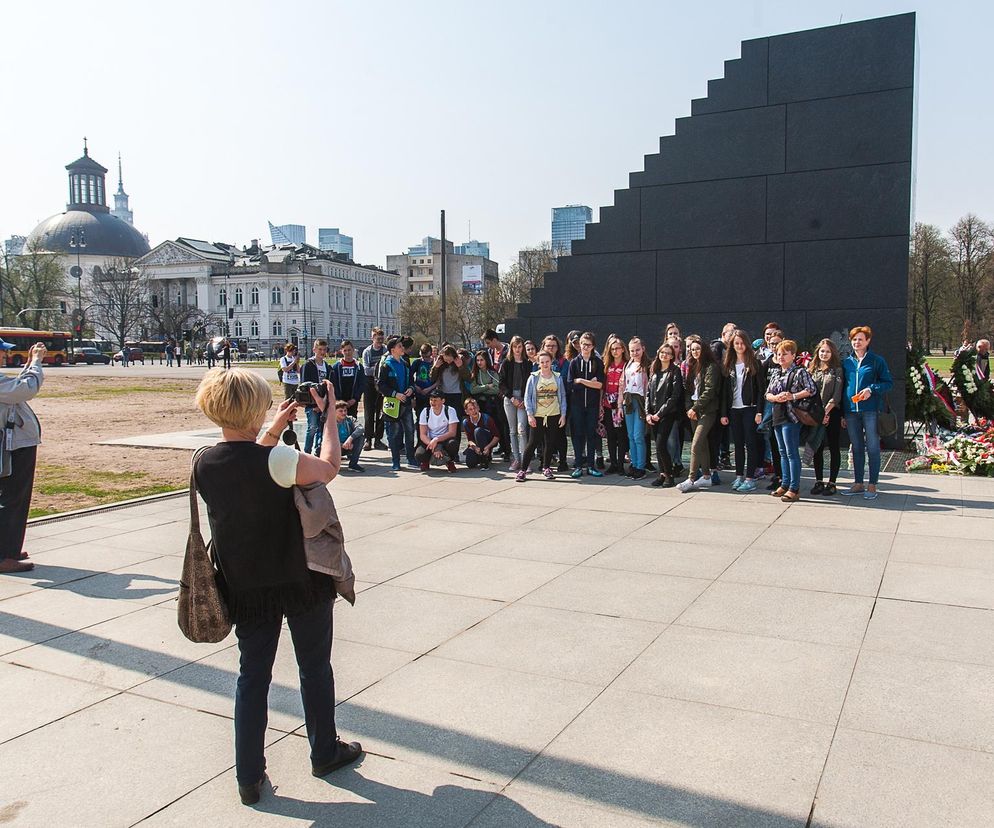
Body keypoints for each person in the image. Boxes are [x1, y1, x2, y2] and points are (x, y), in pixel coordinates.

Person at [193, 369, 362, 804]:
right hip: (299, 578)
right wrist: (326, 419)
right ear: (255, 408)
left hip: (247, 586)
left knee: (252, 677)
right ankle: (324, 751)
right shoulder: (278, 461)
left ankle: (249, 776)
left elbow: (246, 464)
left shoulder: (203, 462)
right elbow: (328, 467)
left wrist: (272, 431)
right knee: (314, 668)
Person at [0, 341, 46, 572]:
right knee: (12, 497)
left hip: (13, 444)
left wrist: (29, 364)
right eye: (3, 350)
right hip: (11, 447)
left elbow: (15, 389)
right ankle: (4, 555)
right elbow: (25, 389)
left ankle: (9, 546)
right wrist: (36, 362)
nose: (7, 354)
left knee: (13, 496)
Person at [842, 325, 894, 500]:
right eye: (854, 339)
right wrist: (843, 411)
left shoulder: (876, 361)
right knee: (856, 447)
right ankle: (858, 483)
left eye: (860, 339)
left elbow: (888, 383)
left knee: (872, 448)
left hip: (871, 410)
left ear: (868, 341)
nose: (857, 342)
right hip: (850, 411)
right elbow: (843, 387)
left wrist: (871, 389)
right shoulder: (846, 362)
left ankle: (872, 484)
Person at [765, 339, 818, 502]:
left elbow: (811, 389)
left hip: (792, 416)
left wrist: (792, 396)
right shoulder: (776, 372)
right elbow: (767, 393)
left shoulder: (800, 372)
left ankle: (794, 488)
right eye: (779, 354)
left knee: (791, 452)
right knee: (782, 452)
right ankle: (785, 483)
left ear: (793, 355)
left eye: (785, 354)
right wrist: (775, 397)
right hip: (777, 415)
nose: (780, 357)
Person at [720, 329, 765, 493]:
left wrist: (759, 411)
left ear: (747, 344)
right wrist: (724, 413)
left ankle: (750, 478)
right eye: (736, 343)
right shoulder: (728, 364)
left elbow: (761, 390)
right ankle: (739, 475)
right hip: (734, 409)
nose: (739, 346)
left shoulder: (754, 363)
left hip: (750, 409)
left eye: (742, 343)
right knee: (738, 444)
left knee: (751, 443)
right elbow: (725, 392)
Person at [676, 336, 720, 493]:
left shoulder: (711, 367)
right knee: (702, 446)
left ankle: (691, 478)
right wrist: (690, 408)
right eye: (692, 349)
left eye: (697, 349)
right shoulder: (692, 366)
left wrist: (695, 408)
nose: (694, 352)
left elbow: (709, 390)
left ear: (704, 350)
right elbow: (688, 390)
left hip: (706, 411)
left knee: (695, 444)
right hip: (693, 410)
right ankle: (707, 476)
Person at [516, 350, 567, 482]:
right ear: (538, 363)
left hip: (553, 414)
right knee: (532, 442)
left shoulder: (558, 377)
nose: (545, 364)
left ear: (551, 362)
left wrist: (563, 414)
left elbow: (562, 396)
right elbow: (527, 397)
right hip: (538, 415)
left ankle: (546, 467)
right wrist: (530, 415)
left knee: (550, 443)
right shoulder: (533, 377)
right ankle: (523, 470)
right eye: (542, 362)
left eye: (547, 362)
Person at [806, 338, 844, 495]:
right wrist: (818, 414)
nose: (824, 354)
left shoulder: (837, 370)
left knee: (834, 447)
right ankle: (819, 481)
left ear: (832, 353)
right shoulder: (811, 369)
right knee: (817, 447)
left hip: (831, 414)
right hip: (815, 414)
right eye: (822, 351)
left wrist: (826, 413)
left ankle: (832, 482)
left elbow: (836, 395)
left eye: (828, 351)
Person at [567, 331, 605, 478]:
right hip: (577, 405)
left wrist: (580, 381)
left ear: (593, 346)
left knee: (591, 435)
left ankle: (591, 465)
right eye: (583, 344)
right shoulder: (574, 363)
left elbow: (600, 385)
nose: (585, 347)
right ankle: (578, 465)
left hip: (592, 405)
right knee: (577, 435)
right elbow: (570, 384)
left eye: (588, 345)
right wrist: (588, 382)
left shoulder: (598, 362)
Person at [646, 343, 684, 488]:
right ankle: (662, 474)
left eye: (668, 353)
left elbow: (674, 397)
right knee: (658, 445)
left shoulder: (675, 371)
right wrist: (648, 413)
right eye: (663, 352)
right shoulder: (654, 370)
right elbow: (648, 393)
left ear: (672, 356)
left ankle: (669, 475)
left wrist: (659, 414)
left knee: (662, 444)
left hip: (667, 414)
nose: (665, 355)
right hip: (653, 414)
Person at [377, 335, 417, 471]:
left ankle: (411, 458)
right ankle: (395, 461)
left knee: (410, 431)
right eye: (399, 346)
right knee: (394, 433)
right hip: (393, 404)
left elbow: (411, 380)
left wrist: (411, 389)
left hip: (405, 402)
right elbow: (380, 385)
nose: (402, 348)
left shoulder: (405, 364)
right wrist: (395, 394)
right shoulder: (386, 365)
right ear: (392, 349)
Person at [498, 336, 533, 472]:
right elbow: (501, 383)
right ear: (511, 348)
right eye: (515, 347)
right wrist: (511, 398)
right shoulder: (506, 363)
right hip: (510, 399)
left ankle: (525, 460)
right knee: (512, 431)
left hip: (523, 399)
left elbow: (530, 383)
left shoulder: (527, 363)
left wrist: (524, 399)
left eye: (519, 347)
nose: (517, 350)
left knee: (522, 429)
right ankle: (516, 459)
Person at [621, 337, 650, 480]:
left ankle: (641, 466)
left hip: (640, 401)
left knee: (638, 435)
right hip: (628, 400)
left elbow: (648, 386)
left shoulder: (648, 365)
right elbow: (622, 383)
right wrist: (621, 404)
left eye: (637, 350)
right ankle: (633, 463)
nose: (634, 353)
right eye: (632, 350)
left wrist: (648, 407)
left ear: (643, 349)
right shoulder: (628, 364)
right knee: (631, 435)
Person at [601, 335, 628, 474]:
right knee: (610, 435)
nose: (615, 351)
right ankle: (613, 463)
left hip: (620, 406)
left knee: (621, 435)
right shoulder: (607, 365)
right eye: (612, 349)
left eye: (618, 348)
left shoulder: (627, 365)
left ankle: (620, 464)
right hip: (607, 404)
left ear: (623, 349)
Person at [302, 339, 334, 456]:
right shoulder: (308, 365)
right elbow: (305, 385)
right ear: (314, 350)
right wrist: (315, 403)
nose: (322, 352)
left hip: (324, 401)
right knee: (312, 428)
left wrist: (325, 401)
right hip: (312, 403)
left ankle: (318, 450)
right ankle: (306, 452)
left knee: (322, 428)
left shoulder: (327, 366)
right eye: (319, 349)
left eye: (324, 350)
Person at [430, 345, 467, 443]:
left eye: (449, 359)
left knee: (455, 422)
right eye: (445, 359)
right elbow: (432, 378)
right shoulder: (440, 361)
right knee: (444, 422)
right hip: (444, 395)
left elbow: (468, 378)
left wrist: (460, 367)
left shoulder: (459, 360)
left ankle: (455, 448)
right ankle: (445, 447)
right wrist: (436, 367)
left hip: (457, 394)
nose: (448, 361)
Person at [416, 388, 459, 472]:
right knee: (419, 454)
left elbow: (452, 433)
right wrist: (434, 446)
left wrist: (437, 439)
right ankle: (426, 461)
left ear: (443, 401)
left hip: (445, 439)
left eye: (435, 400)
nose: (432, 402)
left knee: (453, 444)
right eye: (431, 400)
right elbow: (422, 434)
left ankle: (449, 461)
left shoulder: (450, 410)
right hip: (430, 441)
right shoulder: (425, 412)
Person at [361, 328, 388, 451]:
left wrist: (377, 369)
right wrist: (379, 369)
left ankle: (378, 439)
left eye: (381, 339)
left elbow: (388, 366)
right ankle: (368, 439)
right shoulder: (367, 351)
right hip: (369, 384)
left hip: (382, 384)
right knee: (369, 413)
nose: (379, 342)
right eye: (377, 339)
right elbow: (366, 370)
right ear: (372, 338)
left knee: (381, 413)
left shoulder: (386, 350)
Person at [461, 397, 499, 469]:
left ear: (478, 408)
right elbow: (470, 440)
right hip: (476, 445)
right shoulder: (466, 422)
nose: (473, 411)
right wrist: (475, 447)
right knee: (470, 464)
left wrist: (488, 447)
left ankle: (484, 460)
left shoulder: (487, 418)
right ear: (466, 412)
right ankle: (481, 456)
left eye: (475, 408)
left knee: (478, 431)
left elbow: (496, 436)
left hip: (488, 441)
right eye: (470, 409)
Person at [469, 350, 502, 430]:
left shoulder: (493, 373)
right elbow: (472, 390)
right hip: (481, 405)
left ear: (486, 360)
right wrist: (487, 386)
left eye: (481, 360)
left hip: (493, 405)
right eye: (477, 360)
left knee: (497, 426)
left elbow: (497, 389)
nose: (479, 362)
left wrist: (479, 388)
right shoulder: (475, 374)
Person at [330, 400, 365, 472]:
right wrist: (341, 445)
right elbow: (328, 440)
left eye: (345, 410)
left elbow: (361, 428)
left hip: (348, 446)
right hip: (335, 448)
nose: (344, 413)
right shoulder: (330, 422)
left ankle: (353, 465)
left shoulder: (350, 419)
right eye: (340, 411)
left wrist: (350, 439)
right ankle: (332, 465)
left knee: (361, 437)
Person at [410, 343, 436, 416]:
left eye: (427, 357)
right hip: (419, 394)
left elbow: (439, 380)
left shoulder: (434, 362)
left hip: (431, 394)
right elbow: (409, 377)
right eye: (423, 356)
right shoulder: (417, 362)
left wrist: (429, 389)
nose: (425, 359)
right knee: (420, 415)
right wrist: (415, 386)